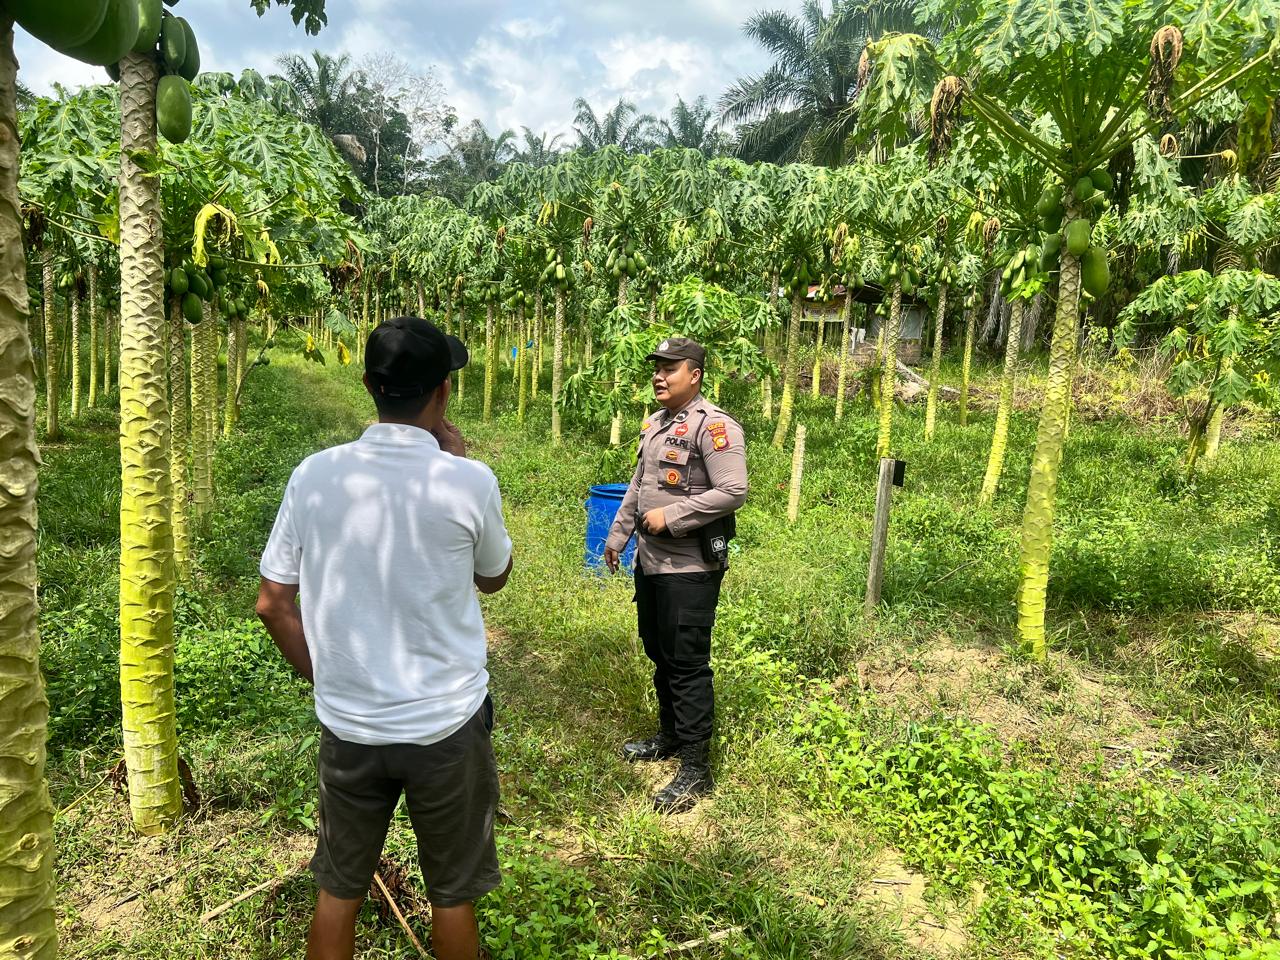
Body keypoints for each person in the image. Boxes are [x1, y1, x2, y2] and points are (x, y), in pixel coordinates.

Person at [256, 316, 512, 960]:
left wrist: (329, 678)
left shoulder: (313, 476)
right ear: (443, 393)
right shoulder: (468, 481)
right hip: (447, 725)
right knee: (452, 896)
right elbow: (494, 578)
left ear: (368, 383)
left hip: (350, 728)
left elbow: (272, 603)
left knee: (338, 891)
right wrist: (457, 463)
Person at [603, 337, 748, 814]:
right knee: (658, 651)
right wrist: (619, 535)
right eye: (657, 368)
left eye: (670, 368)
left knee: (686, 662)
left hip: (689, 568)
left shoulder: (716, 427)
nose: (659, 376)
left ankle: (695, 768)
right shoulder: (655, 425)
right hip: (650, 562)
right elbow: (638, 486)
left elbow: (733, 490)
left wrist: (676, 516)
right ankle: (668, 735)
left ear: (696, 374)